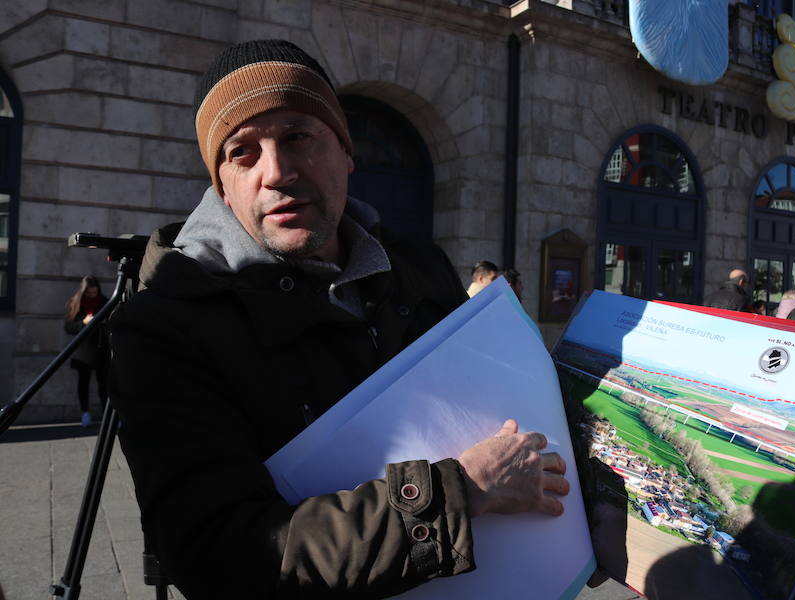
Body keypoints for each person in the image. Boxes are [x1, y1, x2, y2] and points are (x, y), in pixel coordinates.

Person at [108, 39, 568, 599]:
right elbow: (216, 552)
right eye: (242, 152)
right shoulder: (166, 326)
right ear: (222, 186)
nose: (276, 171)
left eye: (298, 136)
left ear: (347, 152)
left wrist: (576, 526)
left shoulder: (420, 267)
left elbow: (508, 421)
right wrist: (461, 491)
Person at [63, 275, 109, 426]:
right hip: (83, 350)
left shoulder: (105, 302)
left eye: (94, 293)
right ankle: (85, 413)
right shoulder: (75, 303)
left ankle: (106, 415)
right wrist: (83, 323)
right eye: (89, 293)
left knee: (104, 384)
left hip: (101, 348)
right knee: (83, 383)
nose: (92, 296)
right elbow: (69, 327)